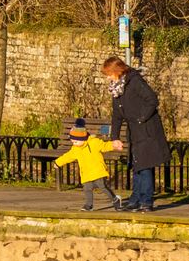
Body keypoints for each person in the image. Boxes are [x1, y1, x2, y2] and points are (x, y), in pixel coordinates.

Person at [103, 55, 169, 212]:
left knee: (145, 166)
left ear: (117, 71)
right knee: (137, 165)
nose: (108, 78)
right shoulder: (116, 89)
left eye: (109, 74)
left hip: (147, 130)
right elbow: (117, 115)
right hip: (134, 132)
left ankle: (146, 201)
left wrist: (141, 118)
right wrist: (115, 137)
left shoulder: (135, 81)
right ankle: (135, 198)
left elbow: (152, 99)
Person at [56, 118, 118, 211]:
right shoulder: (75, 149)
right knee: (87, 189)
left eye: (76, 141)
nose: (74, 144)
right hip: (86, 173)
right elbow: (67, 156)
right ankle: (89, 205)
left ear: (82, 138)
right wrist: (58, 162)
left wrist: (113, 145)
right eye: (72, 142)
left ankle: (115, 199)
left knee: (103, 187)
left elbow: (104, 146)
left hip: (98, 171)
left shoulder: (94, 142)